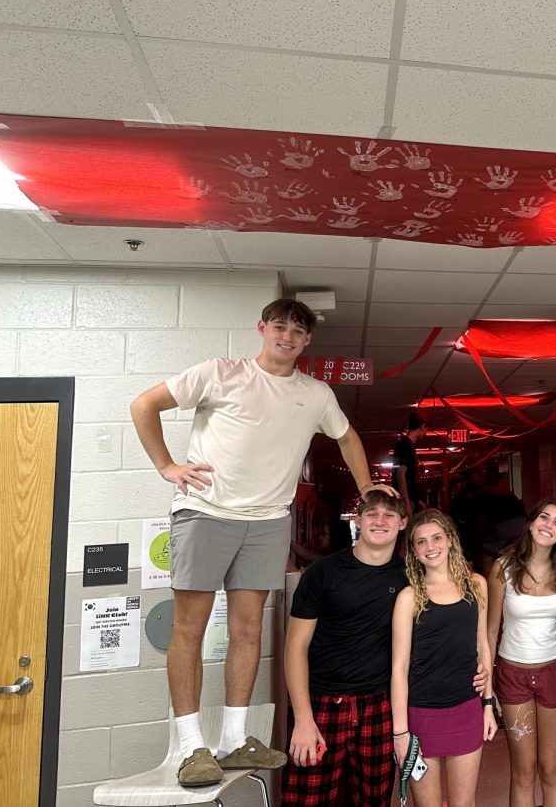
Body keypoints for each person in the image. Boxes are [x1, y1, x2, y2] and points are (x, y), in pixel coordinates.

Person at [130, 298, 376, 787]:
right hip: (205, 512)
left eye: (298, 331)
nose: (287, 336)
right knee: (189, 630)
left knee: (248, 631)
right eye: (279, 326)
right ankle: (192, 746)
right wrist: (167, 466)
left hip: (268, 520)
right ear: (262, 328)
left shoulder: (316, 393)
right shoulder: (220, 372)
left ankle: (234, 739)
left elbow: (347, 438)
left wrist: (368, 490)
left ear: (307, 341)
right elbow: (144, 404)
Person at [282, 486, 408, 806]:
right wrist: (302, 719)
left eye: (389, 515)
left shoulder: (410, 577)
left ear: (403, 523)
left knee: (374, 801)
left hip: (379, 705)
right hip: (322, 704)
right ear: (357, 519)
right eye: (372, 514)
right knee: (306, 800)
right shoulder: (323, 573)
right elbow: (295, 648)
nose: (380, 521)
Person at [392, 509, 498, 807]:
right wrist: (400, 733)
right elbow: (399, 669)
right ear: (413, 551)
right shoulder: (409, 598)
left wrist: (487, 705)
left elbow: (482, 646)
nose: (431, 547)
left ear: (450, 540)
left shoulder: (476, 584)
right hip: (420, 715)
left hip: (466, 709)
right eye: (421, 542)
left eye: (437, 537)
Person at [486, 497, 556, 807]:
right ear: (531, 522)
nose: (548, 525)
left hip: (554, 673)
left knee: (551, 770)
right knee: (523, 772)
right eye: (544, 517)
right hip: (512, 675)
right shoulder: (503, 567)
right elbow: (489, 630)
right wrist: (487, 687)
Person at [394, 412, 430, 512]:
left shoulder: (404, 444)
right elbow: (400, 475)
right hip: (407, 501)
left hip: (409, 500)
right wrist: (407, 503)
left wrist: (418, 501)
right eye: (426, 429)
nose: (426, 433)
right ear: (422, 426)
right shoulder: (406, 445)